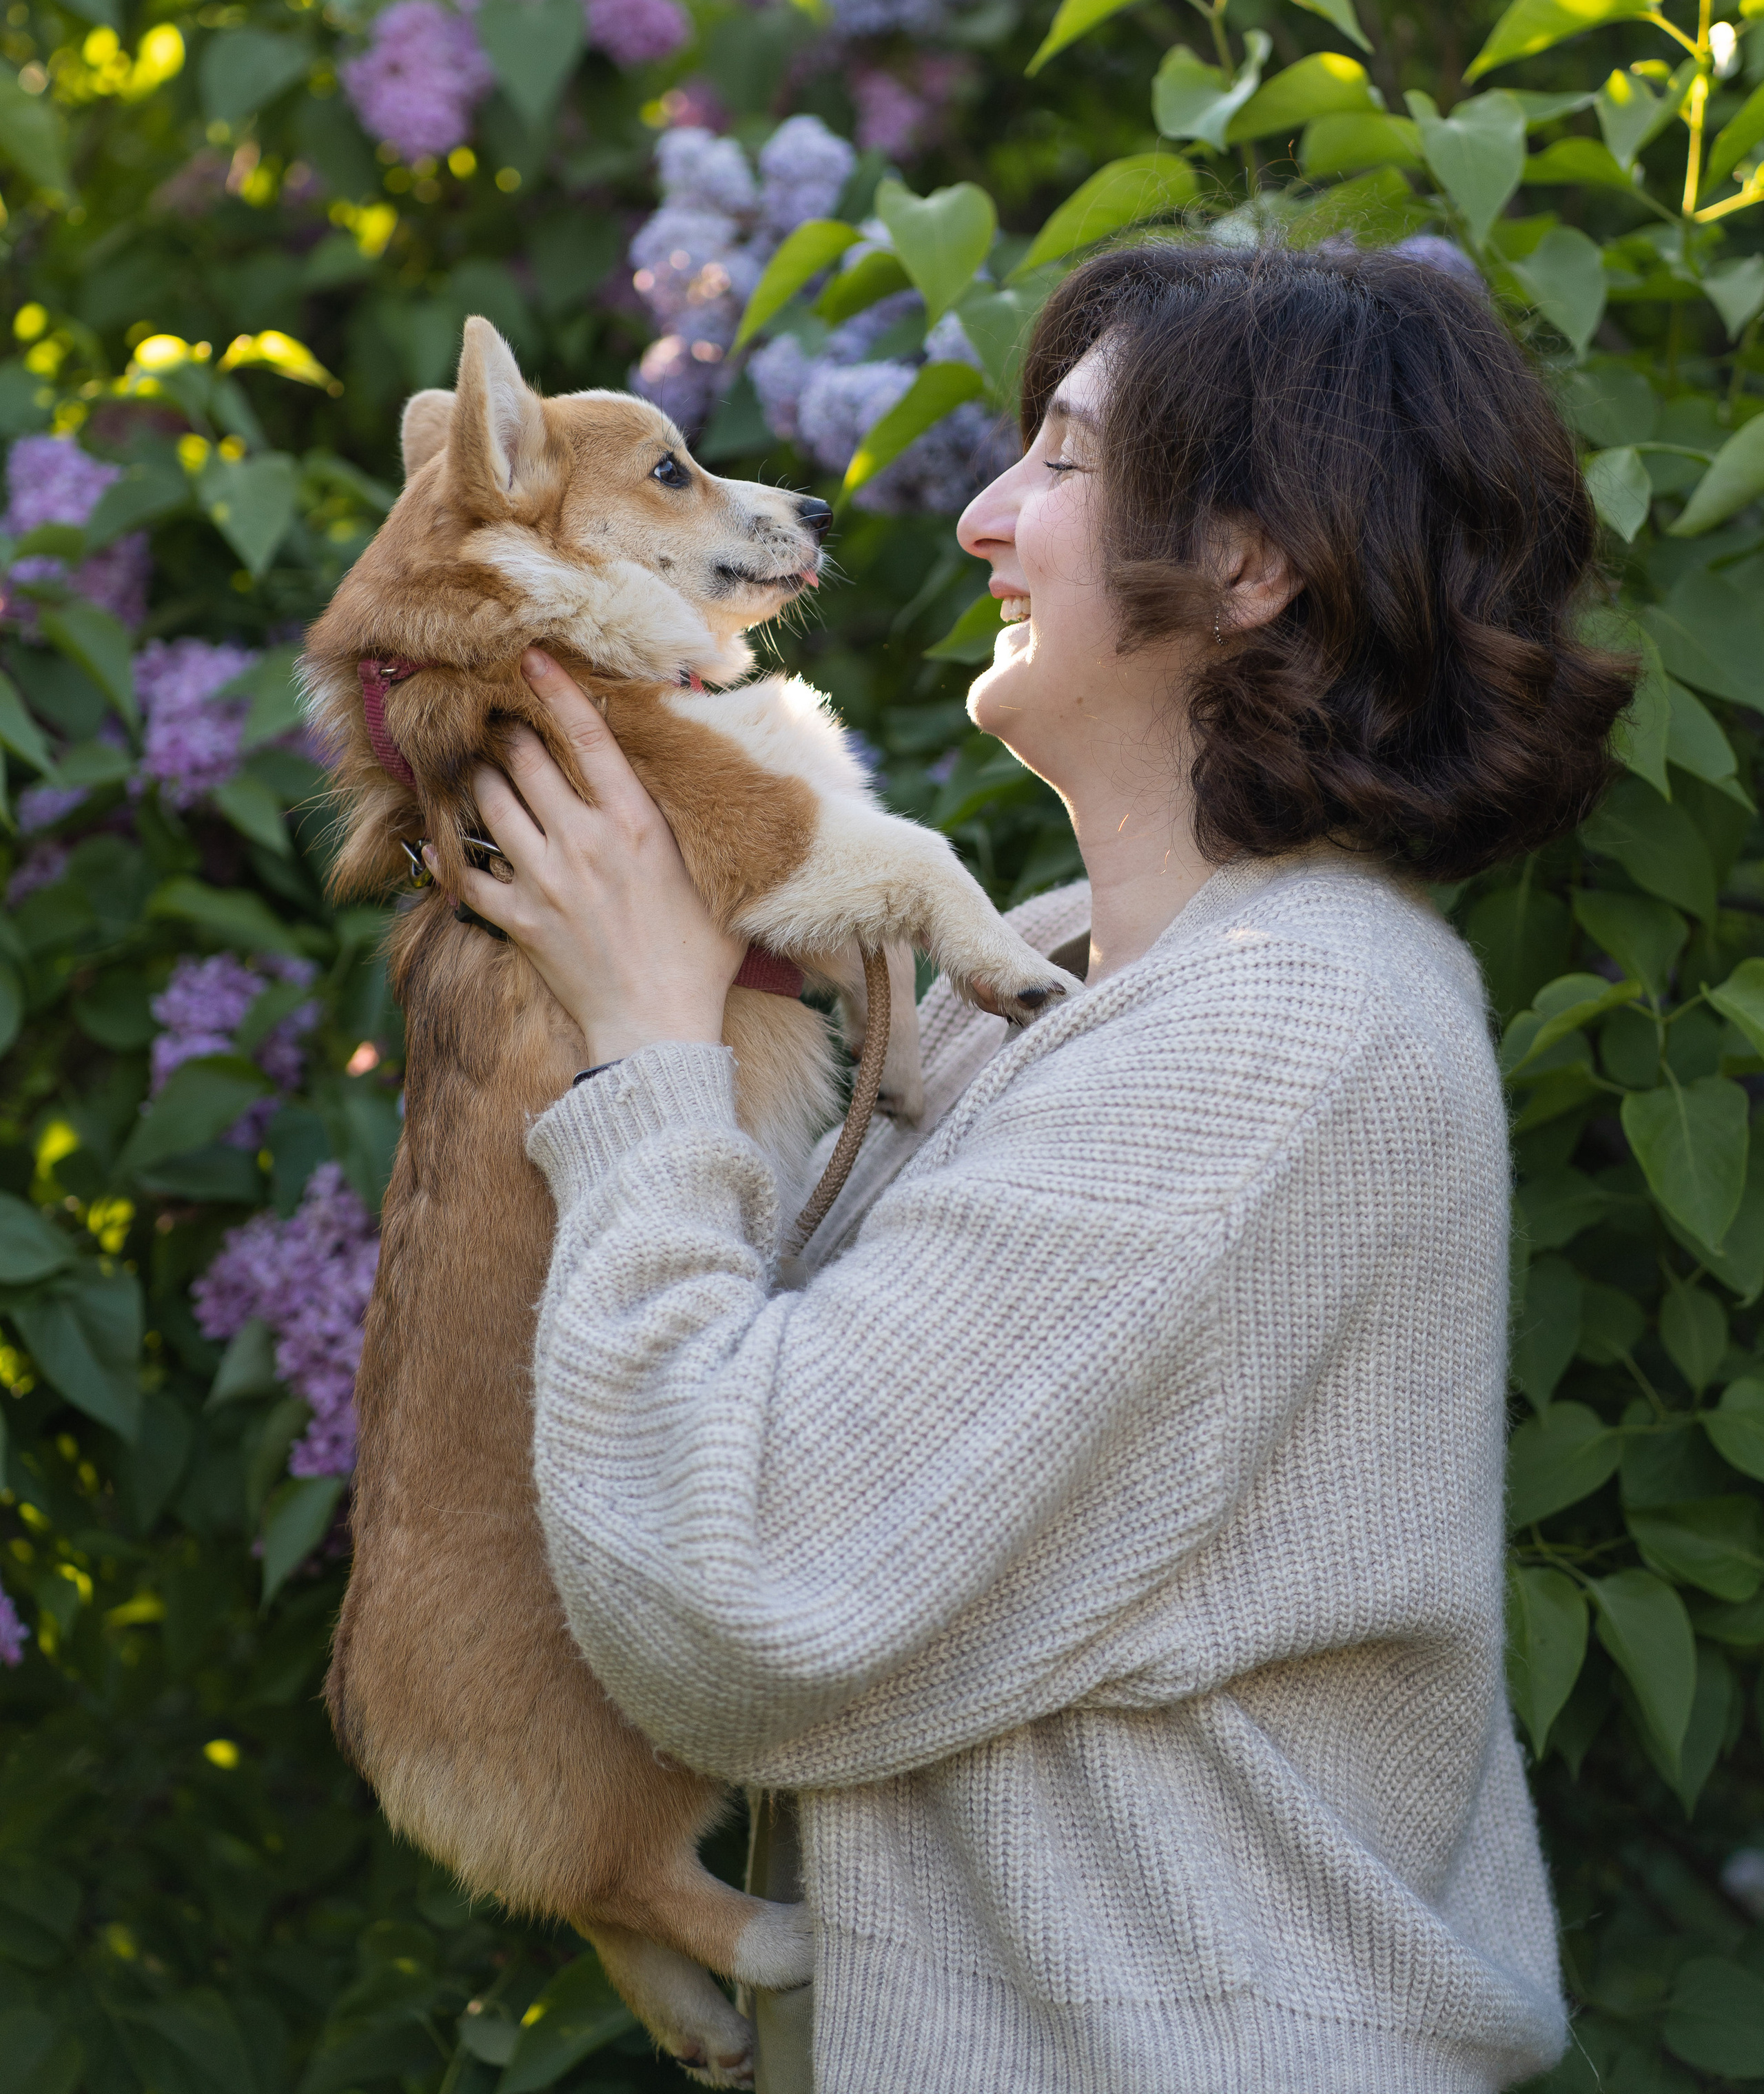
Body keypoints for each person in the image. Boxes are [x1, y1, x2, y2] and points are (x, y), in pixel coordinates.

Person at [455, 240, 1632, 2094]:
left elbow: (736, 1589)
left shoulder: (1280, 1036)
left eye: (1065, 464)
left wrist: (649, 1055)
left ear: (1250, 562)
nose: (987, 517)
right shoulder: (1058, 982)